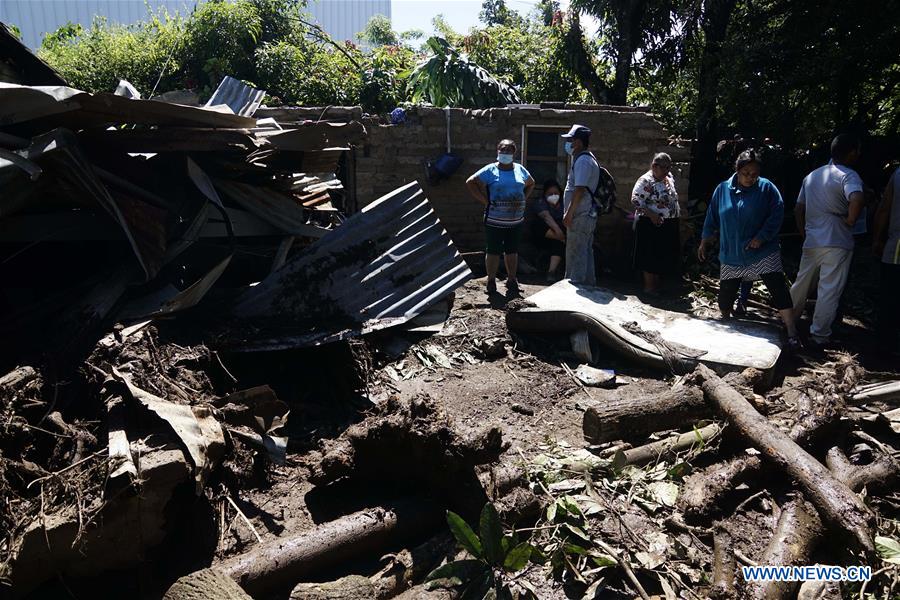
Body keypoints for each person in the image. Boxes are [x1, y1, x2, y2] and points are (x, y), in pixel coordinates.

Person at [699, 150, 801, 349]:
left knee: (778, 288)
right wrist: (705, 240)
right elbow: (711, 216)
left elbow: (777, 213)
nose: (750, 178)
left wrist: (761, 237)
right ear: (737, 170)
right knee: (726, 296)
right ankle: (726, 325)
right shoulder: (722, 190)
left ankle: (791, 330)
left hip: (763, 251)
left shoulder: (767, 188)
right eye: (746, 173)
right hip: (733, 252)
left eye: (754, 174)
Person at [789, 134, 864, 346]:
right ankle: (819, 335)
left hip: (812, 240)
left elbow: (798, 208)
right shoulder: (849, 176)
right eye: (857, 150)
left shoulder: (812, 176)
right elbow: (856, 199)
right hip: (838, 241)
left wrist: (804, 232)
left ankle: (788, 323)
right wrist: (850, 219)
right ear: (850, 153)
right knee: (829, 289)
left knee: (801, 284)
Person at [466, 138, 535, 297]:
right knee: (493, 251)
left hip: (516, 220)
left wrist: (524, 198)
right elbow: (470, 182)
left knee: (512, 251)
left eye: (508, 150)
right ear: (497, 152)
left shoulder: (520, 169)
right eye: (502, 150)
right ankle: (491, 280)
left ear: (514, 153)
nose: (505, 153)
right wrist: (485, 201)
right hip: (494, 220)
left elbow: (531, 183)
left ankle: (512, 279)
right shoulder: (490, 170)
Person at [631, 152, 680, 295]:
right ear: (654, 166)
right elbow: (635, 200)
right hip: (650, 223)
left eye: (668, 168)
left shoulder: (668, 178)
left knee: (661, 255)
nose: (667, 171)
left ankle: (657, 286)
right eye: (664, 167)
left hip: (667, 223)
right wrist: (651, 215)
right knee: (649, 255)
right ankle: (649, 287)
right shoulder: (645, 181)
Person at [561, 124, 601, 285]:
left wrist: (569, 213)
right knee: (584, 251)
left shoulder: (583, 161)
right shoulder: (584, 159)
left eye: (570, 140)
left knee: (576, 252)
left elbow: (579, 190)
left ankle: (575, 287)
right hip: (584, 214)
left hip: (580, 215)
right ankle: (589, 285)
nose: (568, 143)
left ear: (578, 142)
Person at [873, 165, 900, 353]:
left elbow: (884, 209)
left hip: (897, 245)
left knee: (890, 295)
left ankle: (885, 345)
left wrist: (877, 239)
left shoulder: (898, 175)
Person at [531, 179, 566, 281]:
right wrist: (561, 235)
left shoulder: (565, 203)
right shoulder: (540, 203)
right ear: (545, 194)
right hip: (545, 237)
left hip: (559, 237)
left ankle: (551, 271)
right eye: (550, 194)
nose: (554, 195)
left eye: (556, 193)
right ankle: (563, 239)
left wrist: (560, 235)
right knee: (537, 225)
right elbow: (547, 217)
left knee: (558, 241)